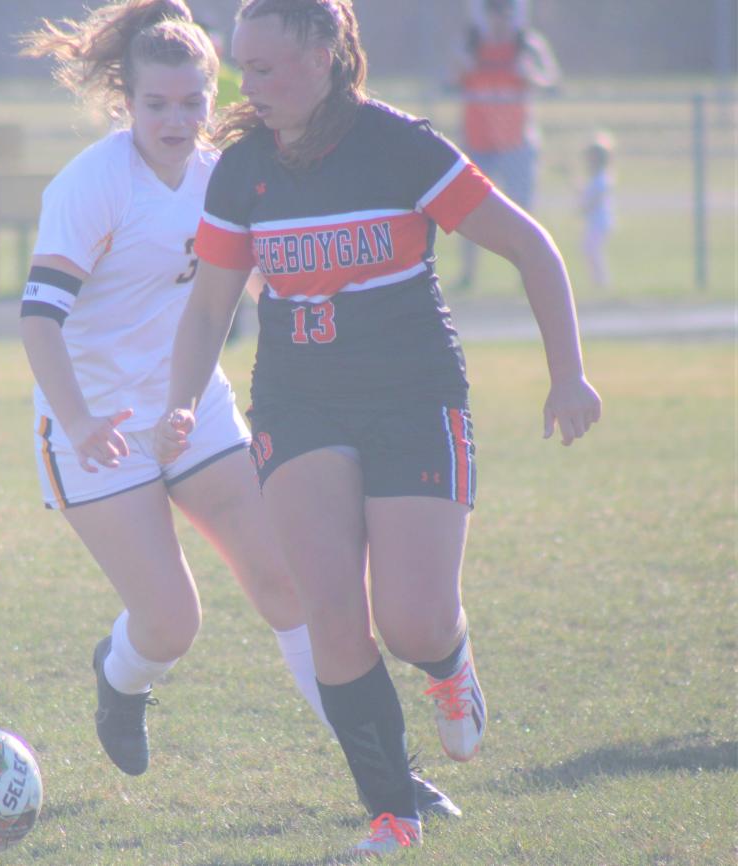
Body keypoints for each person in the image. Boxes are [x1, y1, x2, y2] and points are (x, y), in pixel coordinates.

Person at [153, 0, 601, 857]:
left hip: (412, 396)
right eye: (244, 66)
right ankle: (393, 814)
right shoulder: (241, 170)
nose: (253, 85)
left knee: (413, 622)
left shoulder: (401, 146)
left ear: (327, 54)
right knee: (330, 611)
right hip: (300, 400)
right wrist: (181, 400)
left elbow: (533, 248)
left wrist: (568, 373)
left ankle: (448, 663)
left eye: (271, 66)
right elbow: (210, 301)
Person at [17, 0, 459, 821]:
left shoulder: (225, 172)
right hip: (93, 428)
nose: (179, 119)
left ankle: (391, 782)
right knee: (170, 624)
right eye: (158, 104)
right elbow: (38, 318)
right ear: (126, 100)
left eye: (194, 100)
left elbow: (257, 281)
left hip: (192, 410)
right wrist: (77, 423)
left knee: (290, 584)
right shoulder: (90, 185)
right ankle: (119, 679)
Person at [453, 0, 560, 290]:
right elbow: (450, 80)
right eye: (494, 15)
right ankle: (468, 274)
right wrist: (461, 67)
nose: (500, 21)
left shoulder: (527, 45)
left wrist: (531, 75)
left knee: (523, 212)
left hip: (516, 143)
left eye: (505, 15)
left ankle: (528, 275)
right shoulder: (471, 44)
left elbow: (552, 82)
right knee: (468, 210)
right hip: (479, 141)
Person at [581, 131, 615, 289]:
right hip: (595, 222)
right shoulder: (595, 178)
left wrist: (585, 207)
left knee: (592, 250)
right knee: (589, 250)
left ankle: (602, 282)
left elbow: (593, 199)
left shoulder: (603, 178)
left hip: (600, 222)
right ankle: (598, 281)